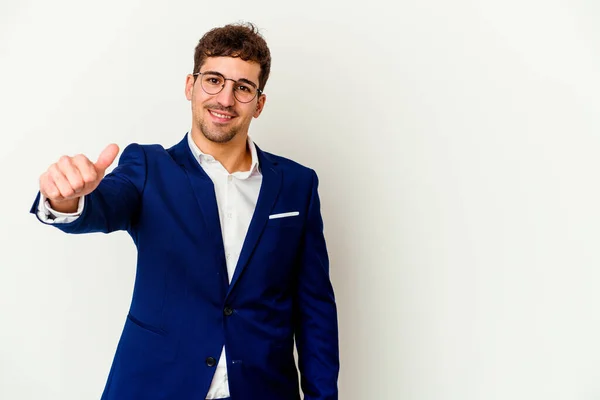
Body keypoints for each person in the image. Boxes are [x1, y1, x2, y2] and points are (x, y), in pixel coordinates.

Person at [30, 23, 339, 400]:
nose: (225, 99)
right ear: (190, 86)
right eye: (213, 80)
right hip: (156, 388)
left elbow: (315, 311)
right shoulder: (148, 167)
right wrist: (66, 197)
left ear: (258, 103)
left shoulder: (297, 184)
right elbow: (102, 204)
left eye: (242, 88)